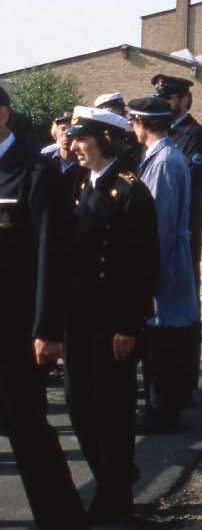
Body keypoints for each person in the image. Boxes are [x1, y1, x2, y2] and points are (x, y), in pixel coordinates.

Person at [0, 87, 90, 529]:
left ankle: (61, 521)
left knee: (27, 427)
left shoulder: (35, 173)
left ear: (2, 115)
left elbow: (51, 257)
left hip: (14, 329)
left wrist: (48, 329)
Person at [64, 105, 160, 521]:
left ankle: (115, 490)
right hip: (78, 317)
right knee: (78, 403)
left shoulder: (131, 191)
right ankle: (111, 476)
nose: (74, 145)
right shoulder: (76, 181)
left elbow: (144, 264)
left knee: (113, 408)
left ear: (104, 140)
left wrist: (129, 324)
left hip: (113, 321)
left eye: (82, 138)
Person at [128, 96, 200, 433]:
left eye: (132, 121)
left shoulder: (164, 162)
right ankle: (161, 408)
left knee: (162, 341)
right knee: (160, 338)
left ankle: (162, 412)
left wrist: (146, 271)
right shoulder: (163, 157)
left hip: (165, 264)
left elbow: (159, 224)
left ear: (141, 122)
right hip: (168, 262)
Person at [153, 73, 202, 404]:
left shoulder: (195, 135)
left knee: (184, 299)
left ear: (185, 100)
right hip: (163, 227)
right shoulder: (162, 133)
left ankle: (186, 378)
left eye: (171, 97)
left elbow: (186, 183)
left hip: (184, 228)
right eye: (162, 97)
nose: (166, 103)